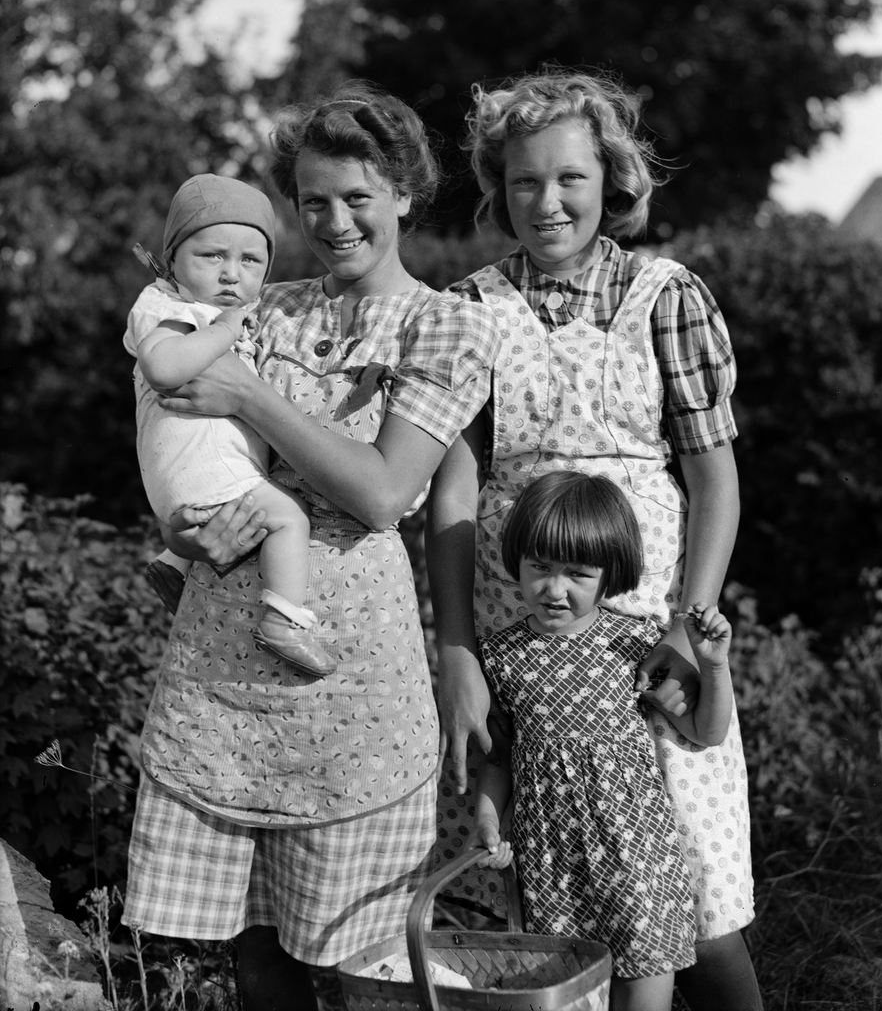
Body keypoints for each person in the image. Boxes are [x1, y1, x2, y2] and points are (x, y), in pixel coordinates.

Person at [121, 85, 500, 1011]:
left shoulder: (446, 325)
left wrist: (249, 395)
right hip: (223, 669)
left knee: (362, 964)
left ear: (404, 194)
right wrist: (178, 527)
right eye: (312, 201)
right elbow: (176, 432)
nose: (333, 223)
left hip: (355, 682)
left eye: (356, 198)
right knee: (256, 957)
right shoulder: (263, 305)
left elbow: (382, 492)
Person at [427, 68, 762, 1010]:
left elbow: (713, 480)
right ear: (498, 187)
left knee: (697, 894)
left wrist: (689, 626)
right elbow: (452, 494)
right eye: (524, 180)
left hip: (646, 637)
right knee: (548, 894)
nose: (548, 202)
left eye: (569, 178)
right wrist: (458, 651)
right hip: (520, 635)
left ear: (610, 179)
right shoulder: (471, 307)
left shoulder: (665, 295)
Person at [474, 471, 736, 1011]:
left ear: (609, 574)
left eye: (578, 573)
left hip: (637, 855)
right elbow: (499, 758)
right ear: (516, 561)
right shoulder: (499, 657)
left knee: (644, 991)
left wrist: (713, 666)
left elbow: (705, 731)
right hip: (551, 863)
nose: (555, 589)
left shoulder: (635, 644)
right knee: (565, 991)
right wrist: (486, 819)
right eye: (540, 567)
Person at [125, 173, 335, 676]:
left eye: (250, 261)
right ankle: (283, 620)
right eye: (212, 256)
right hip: (203, 469)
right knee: (289, 517)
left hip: (188, 474)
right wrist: (223, 331)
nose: (231, 275)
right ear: (172, 259)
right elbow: (163, 367)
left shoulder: (212, 310)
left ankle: (174, 563)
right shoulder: (172, 309)